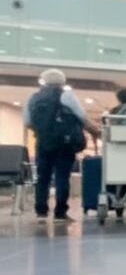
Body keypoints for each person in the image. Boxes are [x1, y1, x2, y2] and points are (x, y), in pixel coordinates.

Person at [23, 69, 100, 222]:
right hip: (64, 144)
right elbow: (82, 117)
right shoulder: (67, 95)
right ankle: (60, 213)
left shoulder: (33, 97)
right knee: (62, 177)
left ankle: (41, 213)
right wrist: (96, 132)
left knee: (43, 178)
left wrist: (44, 132)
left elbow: (28, 122)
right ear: (62, 82)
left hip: (43, 143)